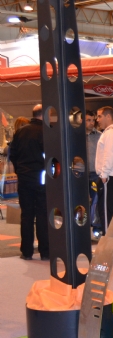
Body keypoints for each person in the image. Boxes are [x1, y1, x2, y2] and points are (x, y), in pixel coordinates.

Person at [10, 105, 49, 260]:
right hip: (41, 178)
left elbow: (12, 154)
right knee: (42, 214)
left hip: (24, 178)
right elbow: (52, 157)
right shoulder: (46, 131)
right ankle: (45, 251)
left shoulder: (20, 132)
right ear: (45, 114)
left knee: (26, 215)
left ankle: (26, 251)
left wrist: (20, 170)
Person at [84, 110, 102, 233]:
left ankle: (96, 226)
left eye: (93, 120)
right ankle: (83, 226)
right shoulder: (76, 136)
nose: (91, 123)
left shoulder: (100, 136)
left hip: (95, 173)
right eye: (88, 120)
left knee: (96, 200)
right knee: (82, 201)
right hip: (81, 174)